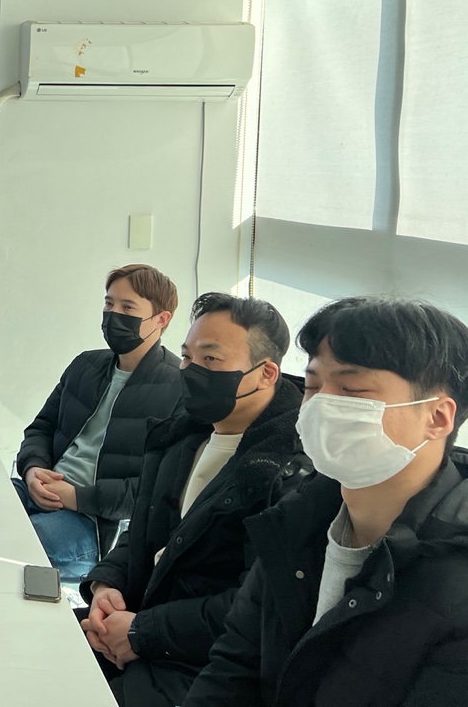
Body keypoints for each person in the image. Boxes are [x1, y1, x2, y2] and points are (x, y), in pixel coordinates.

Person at [185, 297, 468, 707]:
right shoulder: (295, 521)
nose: (320, 405)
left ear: (437, 418)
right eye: (314, 386)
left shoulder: (455, 585)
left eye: (351, 390)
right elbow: (233, 667)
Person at [79, 292, 312, 707]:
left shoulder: (288, 470)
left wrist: (142, 632)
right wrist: (106, 585)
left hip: (203, 664)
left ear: (265, 373)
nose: (190, 370)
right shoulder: (181, 434)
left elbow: (254, 603)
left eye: (211, 359)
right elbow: (144, 529)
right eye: (187, 357)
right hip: (136, 625)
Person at [14, 264, 184, 583]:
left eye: (127, 307)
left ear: (161, 319)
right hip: (37, 489)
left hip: (94, 523)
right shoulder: (85, 365)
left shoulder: (179, 387)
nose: (113, 314)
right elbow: (41, 428)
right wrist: (33, 469)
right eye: (109, 303)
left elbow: (157, 489)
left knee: (14, 546)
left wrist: (76, 497)